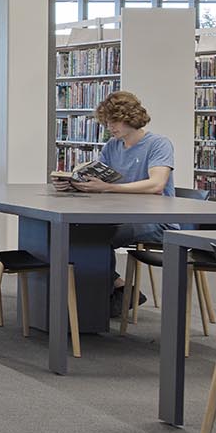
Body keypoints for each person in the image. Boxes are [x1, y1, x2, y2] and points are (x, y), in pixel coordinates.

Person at [53, 90, 175, 316]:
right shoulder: (112, 146)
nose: (110, 126)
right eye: (107, 121)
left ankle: (106, 295)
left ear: (131, 117)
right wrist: (73, 184)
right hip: (120, 216)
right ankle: (117, 287)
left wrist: (109, 188)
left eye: (114, 120)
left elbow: (157, 184)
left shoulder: (158, 144)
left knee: (95, 235)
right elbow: (100, 180)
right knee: (76, 232)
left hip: (156, 221)